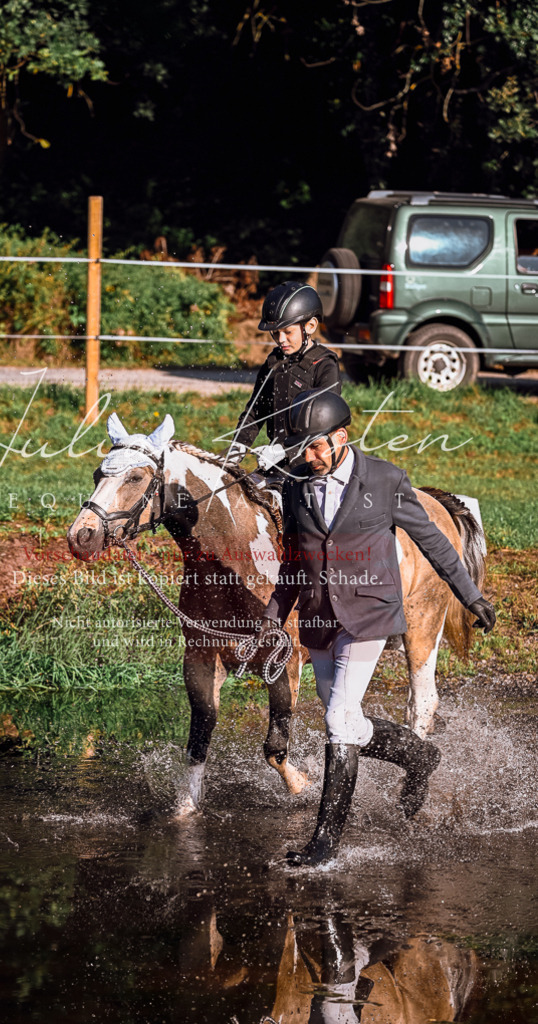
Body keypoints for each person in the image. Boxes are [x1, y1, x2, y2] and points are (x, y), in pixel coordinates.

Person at [257, 389, 496, 867]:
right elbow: (292, 562)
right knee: (347, 719)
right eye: (302, 448)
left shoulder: (385, 480)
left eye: (316, 447)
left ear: (341, 437)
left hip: (369, 613)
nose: (309, 457)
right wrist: (270, 618)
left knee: (337, 718)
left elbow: (432, 540)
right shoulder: (296, 486)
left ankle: (325, 845)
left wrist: (470, 596)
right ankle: (419, 757)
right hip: (320, 616)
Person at [225, 281, 341, 473]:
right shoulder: (273, 363)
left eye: (288, 332)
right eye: (276, 333)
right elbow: (255, 412)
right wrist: (238, 446)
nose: (281, 340)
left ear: (310, 326)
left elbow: (326, 426)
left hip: (312, 465)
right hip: (276, 464)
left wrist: (285, 451)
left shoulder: (325, 366)